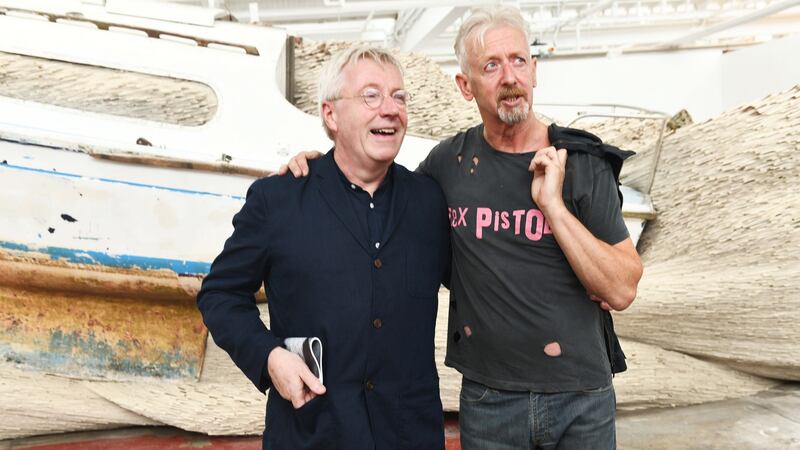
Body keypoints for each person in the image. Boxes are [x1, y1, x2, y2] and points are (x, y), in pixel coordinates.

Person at [280, 6, 643, 449]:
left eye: (518, 60)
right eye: (491, 66)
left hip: (581, 395)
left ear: (534, 71)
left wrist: (555, 208)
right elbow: (378, 191)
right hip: (491, 400)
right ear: (465, 86)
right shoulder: (447, 165)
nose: (509, 76)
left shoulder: (581, 163)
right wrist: (320, 170)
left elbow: (623, 289)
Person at [197, 45, 450, 450]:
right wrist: (269, 358)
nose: (390, 109)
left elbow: (481, 283)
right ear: (330, 114)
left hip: (408, 436)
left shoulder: (430, 202)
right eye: (371, 95)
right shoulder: (278, 200)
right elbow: (220, 295)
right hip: (312, 435)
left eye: (399, 96)